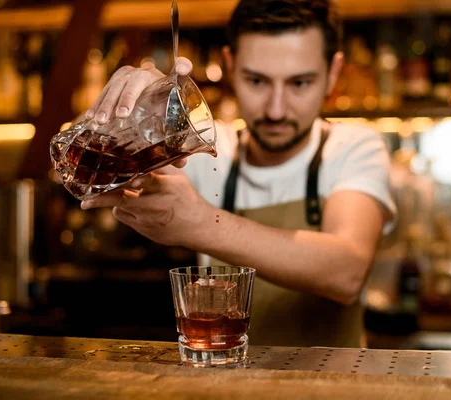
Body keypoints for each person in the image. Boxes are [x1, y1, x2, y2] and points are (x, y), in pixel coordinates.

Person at [80, 0, 396, 348]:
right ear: (230, 65)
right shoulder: (209, 152)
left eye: (300, 83)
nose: (276, 109)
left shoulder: (353, 147)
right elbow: (82, 178)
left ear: (333, 72)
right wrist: (137, 114)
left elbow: (346, 272)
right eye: (256, 80)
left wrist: (200, 223)